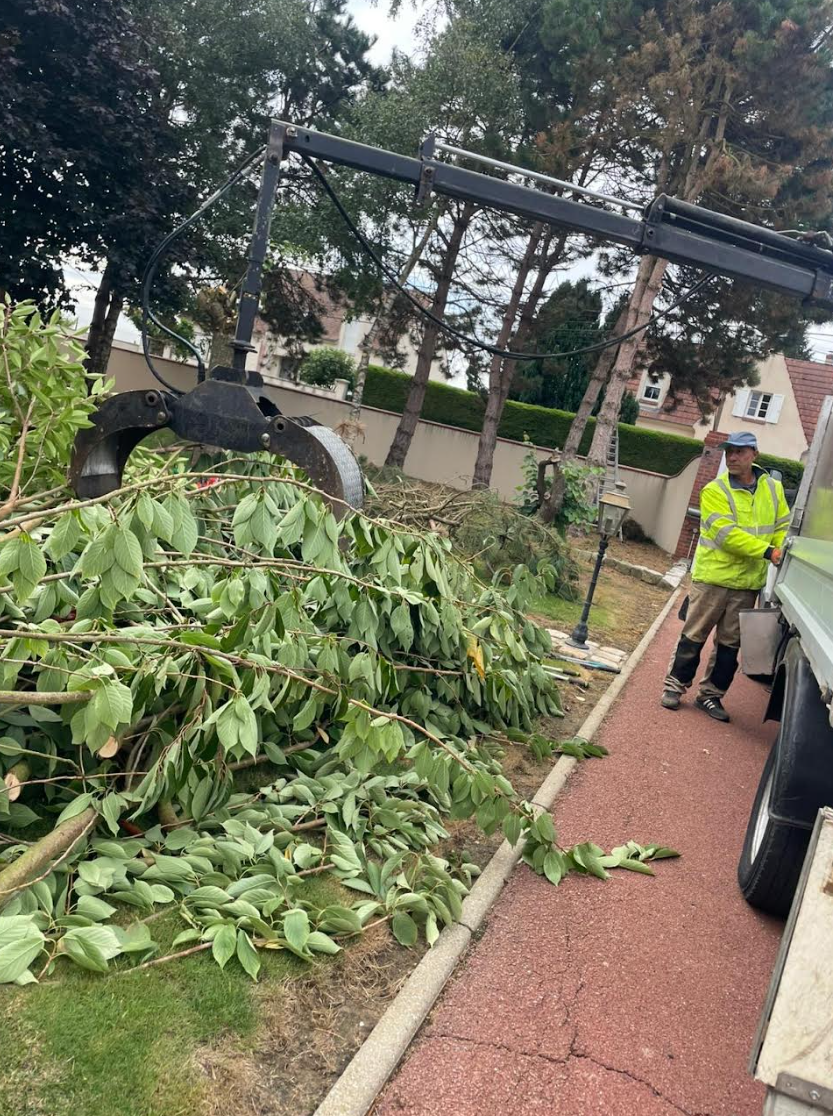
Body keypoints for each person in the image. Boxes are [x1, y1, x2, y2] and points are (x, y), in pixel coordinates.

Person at [661, 431, 790, 722]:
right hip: (713, 580)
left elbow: (783, 524)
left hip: (747, 584)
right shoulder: (715, 491)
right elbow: (726, 536)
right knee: (693, 636)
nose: (732, 457)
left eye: (740, 452)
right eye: (729, 451)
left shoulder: (772, 488)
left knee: (730, 646)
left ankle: (711, 696)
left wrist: (779, 545)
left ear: (754, 454)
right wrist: (769, 552)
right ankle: (674, 687)